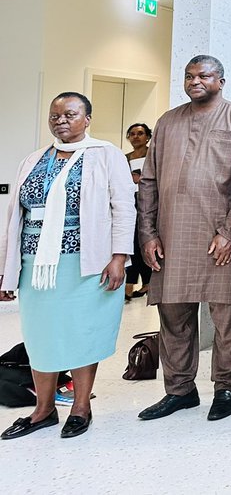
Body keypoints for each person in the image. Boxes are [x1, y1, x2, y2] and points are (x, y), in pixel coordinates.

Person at [0, 93, 133, 440]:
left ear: (87, 118)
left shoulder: (106, 155)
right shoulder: (34, 159)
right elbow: (16, 215)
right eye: (55, 115)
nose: (61, 120)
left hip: (86, 263)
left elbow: (124, 207)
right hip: (35, 263)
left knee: (82, 333)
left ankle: (80, 407)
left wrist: (119, 256)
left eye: (70, 114)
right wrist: (6, 268)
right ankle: (43, 410)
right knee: (40, 335)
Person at [136, 55, 231, 423]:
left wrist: (229, 232)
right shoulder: (167, 122)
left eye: (204, 76)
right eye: (189, 76)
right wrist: (148, 234)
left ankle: (226, 388)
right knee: (173, 317)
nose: (195, 81)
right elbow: (149, 182)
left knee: (227, 317)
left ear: (221, 80)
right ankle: (179, 391)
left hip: (220, 236)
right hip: (171, 236)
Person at [124, 122, 153, 299]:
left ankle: (135, 284)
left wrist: (141, 179)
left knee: (142, 242)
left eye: (140, 133)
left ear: (148, 136)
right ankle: (138, 282)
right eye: (132, 133)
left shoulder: (153, 155)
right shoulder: (124, 158)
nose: (136, 136)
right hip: (130, 202)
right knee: (132, 242)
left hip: (149, 201)